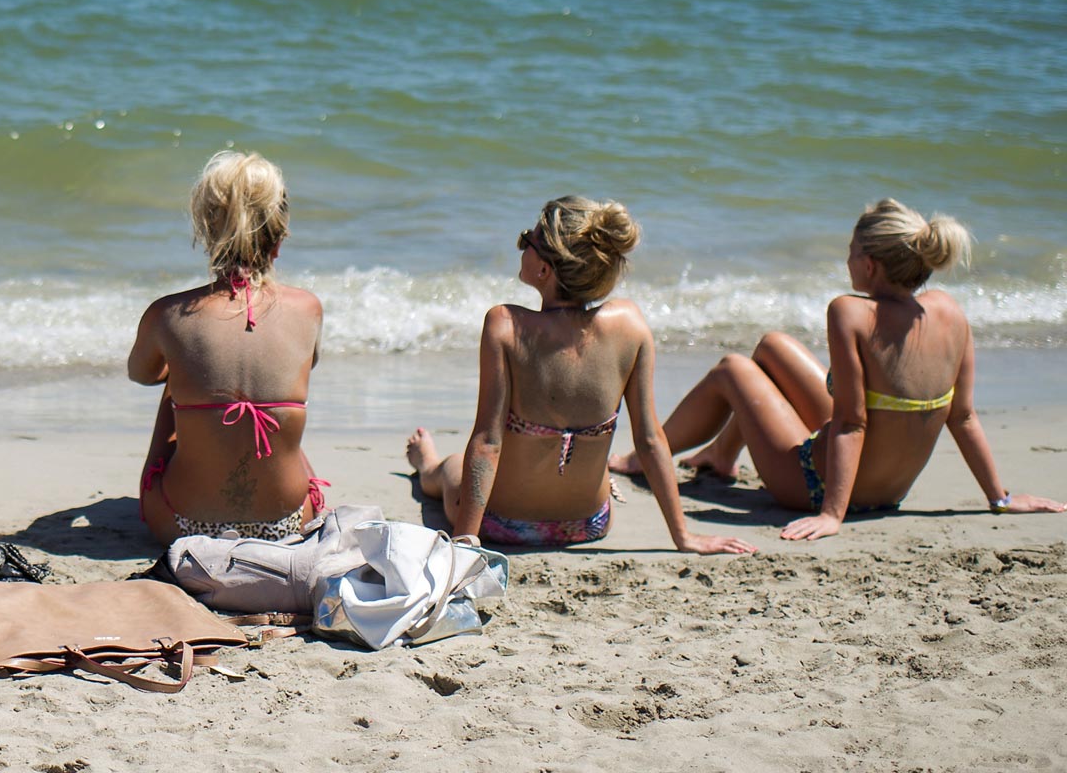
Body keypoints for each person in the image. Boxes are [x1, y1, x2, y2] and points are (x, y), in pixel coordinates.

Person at [608, 199, 1065, 540]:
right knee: (772, 347)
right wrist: (1000, 499)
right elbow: (962, 417)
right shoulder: (951, 312)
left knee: (732, 369)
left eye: (850, 251)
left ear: (869, 265)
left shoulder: (850, 313)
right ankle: (720, 457)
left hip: (815, 482)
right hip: (890, 489)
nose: (846, 259)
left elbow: (852, 421)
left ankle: (641, 459)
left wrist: (831, 513)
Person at [406, 196, 754, 554]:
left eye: (528, 240)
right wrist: (684, 537)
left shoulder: (505, 325)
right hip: (588, 525)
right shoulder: (631, 325)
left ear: (544, 270)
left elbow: (488, 443)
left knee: (452, 469)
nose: (521, 245)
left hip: (503, 525)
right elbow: (650, 441)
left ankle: (427, 463)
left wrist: (466, 543)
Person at [130, 150, 327, 544]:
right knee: (280, 413)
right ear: (280, 236)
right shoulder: (308, 309)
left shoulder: (167, 315)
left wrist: (186, 373)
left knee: (177, 382)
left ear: (206, 231)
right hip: (288, 522)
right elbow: (309, 363)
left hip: (179, 523)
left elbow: (142, 375)